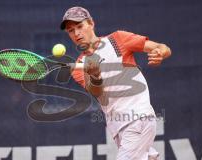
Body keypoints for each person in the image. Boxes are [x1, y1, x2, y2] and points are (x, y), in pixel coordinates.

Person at [60, 6, 171, 160]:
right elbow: (97, 92)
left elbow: (162, 47)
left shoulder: (118, 39)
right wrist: (95, 76)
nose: (77, 33)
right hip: (119, 129)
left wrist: (160, 53)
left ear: (91, 23)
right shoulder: (79, 66)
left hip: (137, 119)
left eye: (80, 26)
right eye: (71, 30)